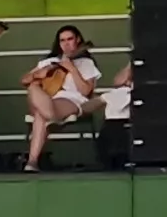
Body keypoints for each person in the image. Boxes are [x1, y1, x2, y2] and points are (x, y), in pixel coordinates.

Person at [20, 25, 105, 172]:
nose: (66, 43)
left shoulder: (86, 63)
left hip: (71, 100)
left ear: (77, 40)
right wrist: (37, 74)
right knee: (33, 87)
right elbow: (23, 80)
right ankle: (50, 118)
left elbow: (85, 91)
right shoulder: (49, 62)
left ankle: (32, 162)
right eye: (62, 40)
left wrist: (72, 68)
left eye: (70, 39)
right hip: (47, 99)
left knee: (41, 115)